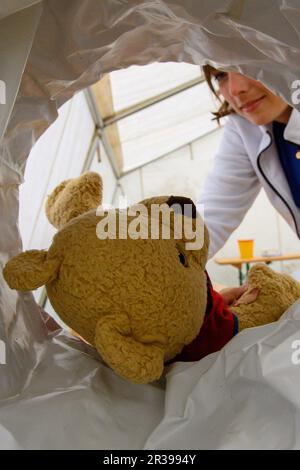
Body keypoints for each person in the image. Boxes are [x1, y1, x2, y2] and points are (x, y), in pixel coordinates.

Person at [198, 65, 300, 260]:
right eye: (220, 75)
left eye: (246, 65)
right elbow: (209, 217)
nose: (235, 89)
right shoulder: (243, 128)